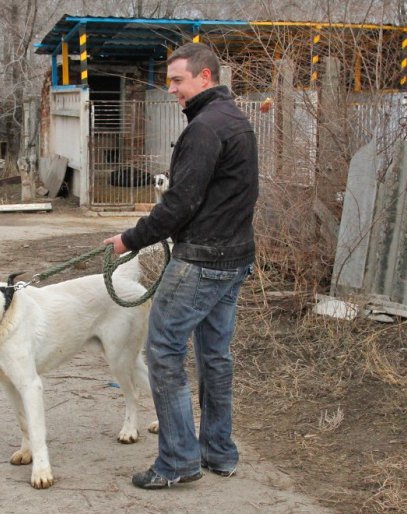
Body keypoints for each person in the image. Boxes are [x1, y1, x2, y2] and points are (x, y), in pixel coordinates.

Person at [102, 43, 259, 489]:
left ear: (205, 78)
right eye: (170, 81)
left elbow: (180, 203)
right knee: (213, 355)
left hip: (203, 260)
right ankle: (219, 452)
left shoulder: (205, 128)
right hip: (234, 258)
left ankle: (177, 461)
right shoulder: (234, 119)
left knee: (164, 352)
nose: (171, 89)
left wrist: (129, 239)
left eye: (177, 81)